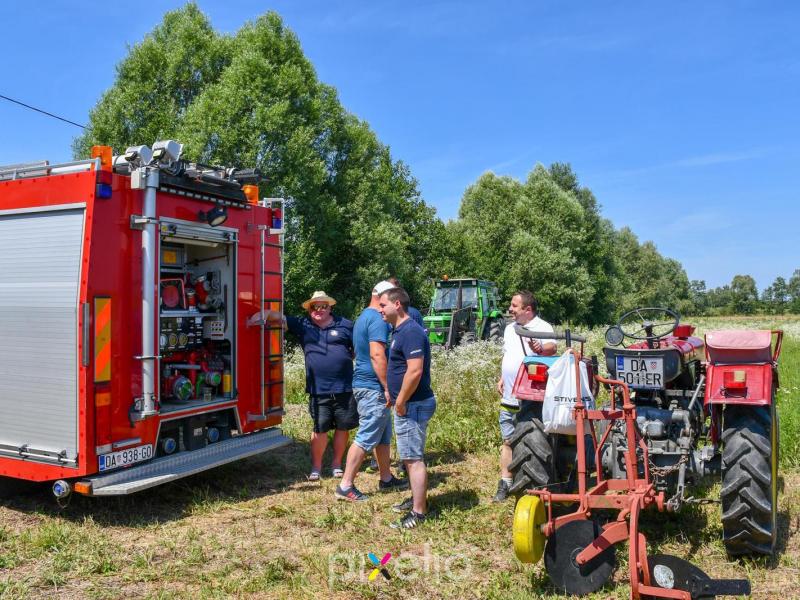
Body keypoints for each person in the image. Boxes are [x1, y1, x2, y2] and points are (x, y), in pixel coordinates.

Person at [335, 281, 409, 501]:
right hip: (372, 387)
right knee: (366, 435)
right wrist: (387, 387)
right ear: (381, 296)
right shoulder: (377, 319)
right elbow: (377, 355)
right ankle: (345, 485)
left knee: (383, 436)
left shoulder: (363, 316)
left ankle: (386, 477)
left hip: (367, 384)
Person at [283, 291, 357, 481]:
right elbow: (280, 317)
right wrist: (262, 314)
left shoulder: (346, 324)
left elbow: (356, 349)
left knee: (343, 427)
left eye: (323, 306)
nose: (319, 310)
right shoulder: (303, 325)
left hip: (344, 387)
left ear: (330, 307)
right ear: (309, 310)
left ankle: (336, 464)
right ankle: (316, 467)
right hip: (318, 389)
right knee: (319, 428)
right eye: (315, 307)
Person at [379, 287, 436, 529]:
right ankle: (416, 499)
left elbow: (415, 370)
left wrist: (401, 399)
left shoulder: (410, 331)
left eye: (383, 305)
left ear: (397, 305)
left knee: (413, 459)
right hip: (406, 402)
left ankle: (419, 513)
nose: (380, 310)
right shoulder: (399, 330)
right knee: (411, 457)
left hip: (412, 404)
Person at [493, 290, 556, 502]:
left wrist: (540, 348)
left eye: (514, 306)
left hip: (530, 397)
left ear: (527, 310)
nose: (510, 309)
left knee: (530, 438)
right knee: (507, 439)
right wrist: (503, 377)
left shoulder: (542, 327)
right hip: (509, 394)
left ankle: (533, 484)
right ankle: (505, 483)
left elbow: (551, 347)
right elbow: (508, 354)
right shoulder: (510, 329)